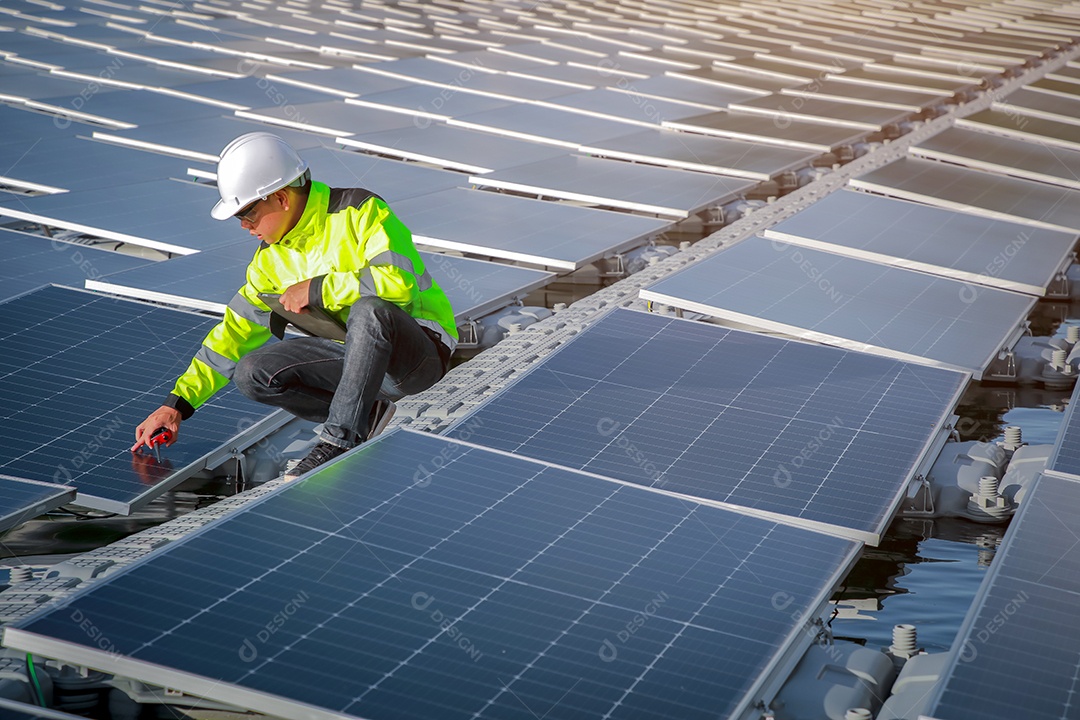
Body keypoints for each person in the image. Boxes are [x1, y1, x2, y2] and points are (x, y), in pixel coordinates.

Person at [131, 132, 456, 479]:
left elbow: (398, 283)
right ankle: (367, 410)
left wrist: (317, 290)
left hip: (416, 357)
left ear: (282, 198)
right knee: (253, 372)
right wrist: (177, 405)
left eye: (249, 214)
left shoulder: (360, 211)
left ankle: (339, 440)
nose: (244, 226)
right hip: (354, 367)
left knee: (369, 310)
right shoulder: (269, 262)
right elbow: (233, 334)